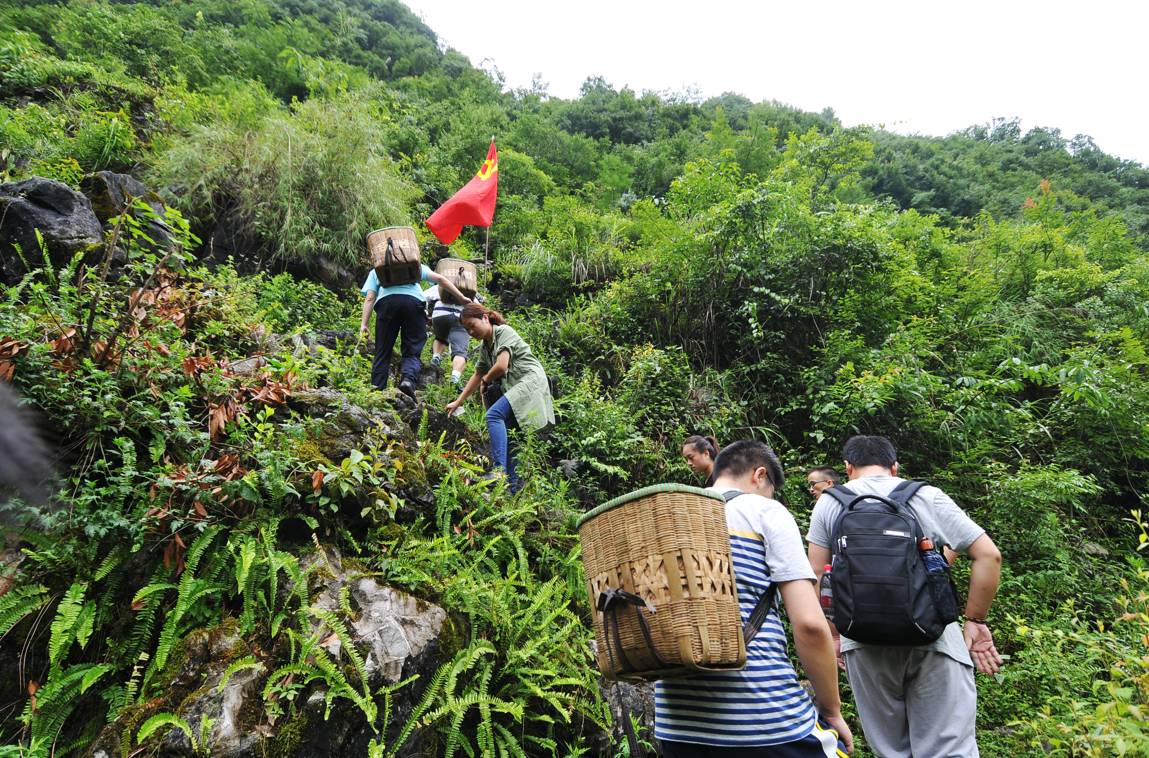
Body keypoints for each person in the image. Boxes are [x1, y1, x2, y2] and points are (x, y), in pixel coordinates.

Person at [806, 435, 1002, 758]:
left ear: (848, 467)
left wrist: (832, 634)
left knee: (891, 751)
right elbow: (989, 556)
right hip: (936, 640)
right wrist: (975, 620)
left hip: (863, 643)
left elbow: (815, 576)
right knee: (949, 749)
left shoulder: (830, 502)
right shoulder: (926, 496)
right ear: (894, 467)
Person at [657, 440, 853, 757]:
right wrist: (831, 710)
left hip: (676, 728)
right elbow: (809, 625)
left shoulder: (673, 519)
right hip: (767, 722)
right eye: (771, 490)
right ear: (759, 475)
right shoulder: (764, 511)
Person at [445, 303, 554, 490]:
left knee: (494, 415)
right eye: (467, 329)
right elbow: (477, 374)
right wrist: (459, 401)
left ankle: (497, 472)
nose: (471, 332)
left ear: (485, 318)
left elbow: (502, 365)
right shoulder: (485, 347)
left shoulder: (504, 331)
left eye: (472, 325)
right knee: (513, 440)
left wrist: (486, 379)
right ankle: (512, 492)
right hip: (516, 388)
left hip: (530, 381)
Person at [359, 262, 470, 396]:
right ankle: (408, 381)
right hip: (413, 303)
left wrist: (364, 324)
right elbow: (441, 279)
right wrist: (461, 297)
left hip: (387, 304)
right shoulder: (413, 265)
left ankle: (376, 389)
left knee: (383, 350)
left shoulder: (378, 270)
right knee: (412, 348)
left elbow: (370, 297)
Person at [423, 281, 476, 388]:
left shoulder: (440, 286)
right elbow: (476, 307)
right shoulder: (468, 289)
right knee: (460, 351)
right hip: (459, 317)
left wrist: (425, 313)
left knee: (440, 338)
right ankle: (455, 378)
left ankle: (436, 357)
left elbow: (422, 297)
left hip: (439, 315)